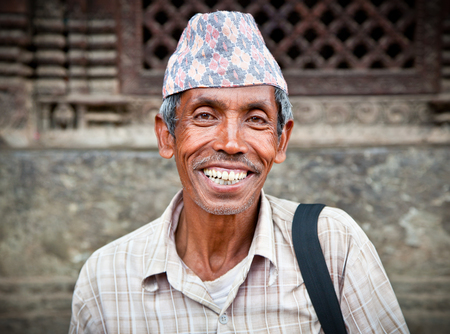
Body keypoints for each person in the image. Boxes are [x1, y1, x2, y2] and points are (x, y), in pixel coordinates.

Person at [69, 11, 409, 333]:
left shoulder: (333, 245)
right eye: (204, 115)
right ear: (166, 135)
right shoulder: (105, 278)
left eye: (256, 119)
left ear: (281, 140)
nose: (231, 143)